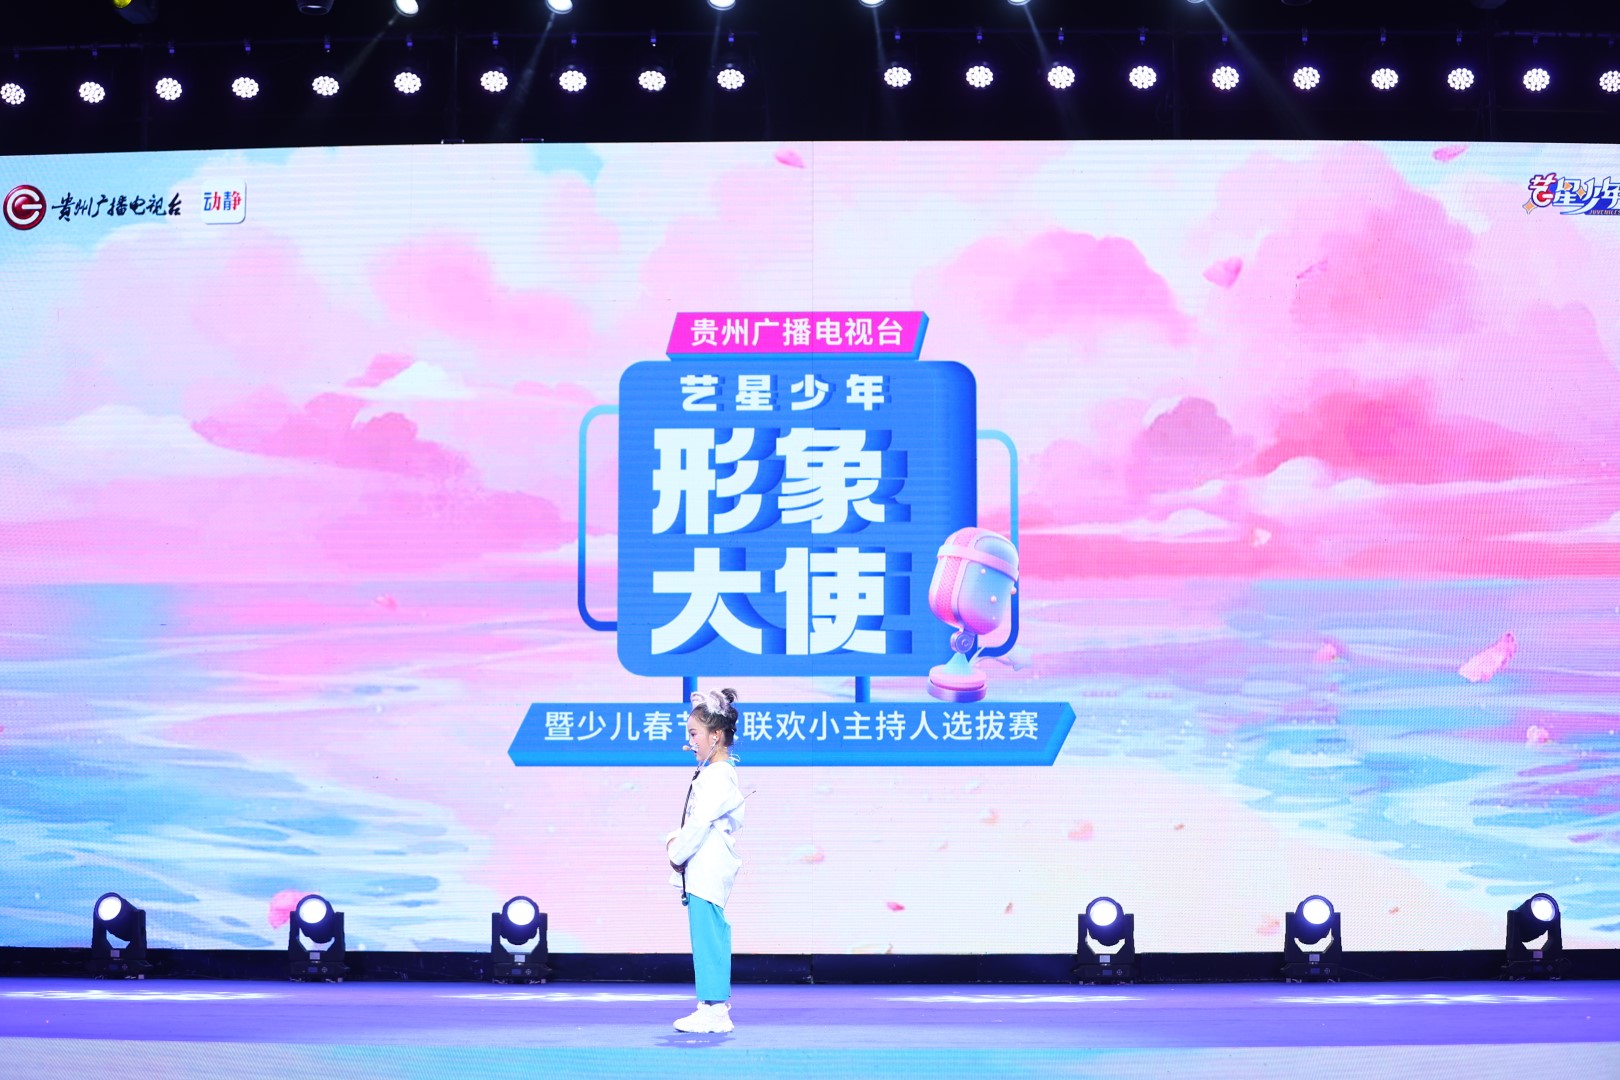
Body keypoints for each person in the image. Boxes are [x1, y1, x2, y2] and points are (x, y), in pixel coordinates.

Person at [665, 687, 746, 1034]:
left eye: (694, 734)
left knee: (709, 935)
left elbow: (699, 824)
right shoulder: (714, 773)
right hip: (704, 866)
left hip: (708, 867)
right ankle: (709, 1006)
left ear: (716, 735)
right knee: (706, 934)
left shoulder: (718, 774)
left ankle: (715, 1010)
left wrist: (675, 852)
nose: (690, 742)